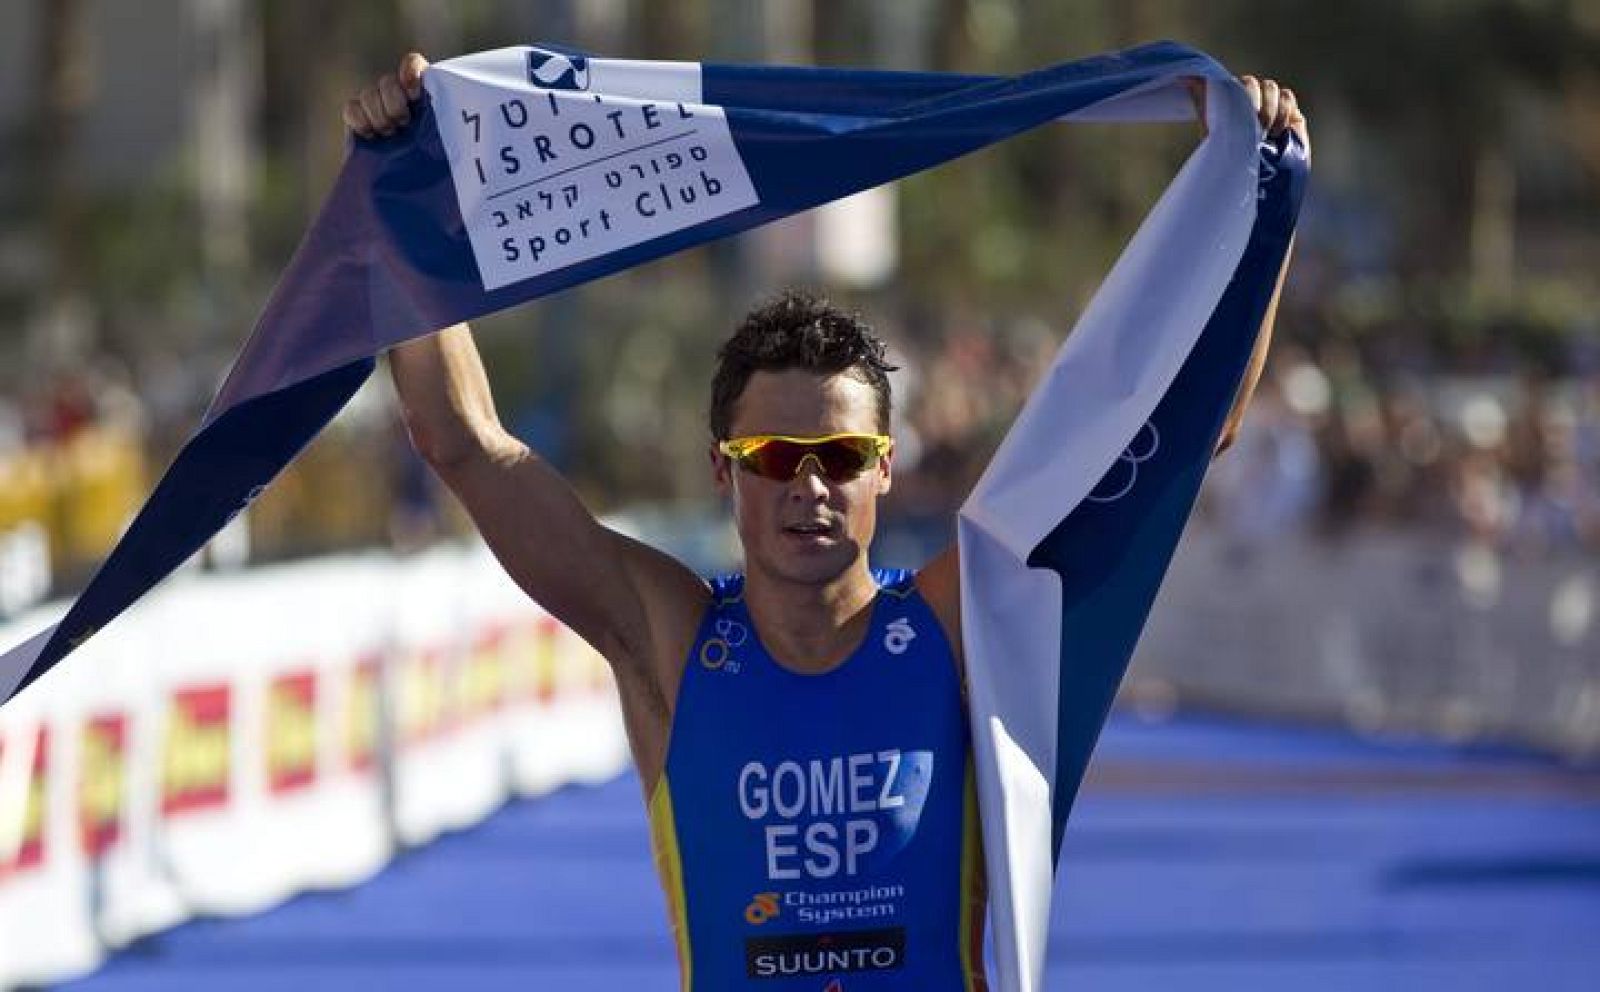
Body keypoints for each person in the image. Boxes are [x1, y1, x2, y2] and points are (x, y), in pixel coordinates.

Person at [346, 51, 1307, 991]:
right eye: (772, 459)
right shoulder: (670, 643)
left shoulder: (958, 624)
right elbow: (466, 445)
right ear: (721, 472)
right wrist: (408, 199)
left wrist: (1261, 199)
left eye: (841, 458)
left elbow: (1193, 431)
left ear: (884, 471)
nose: (810, 487)